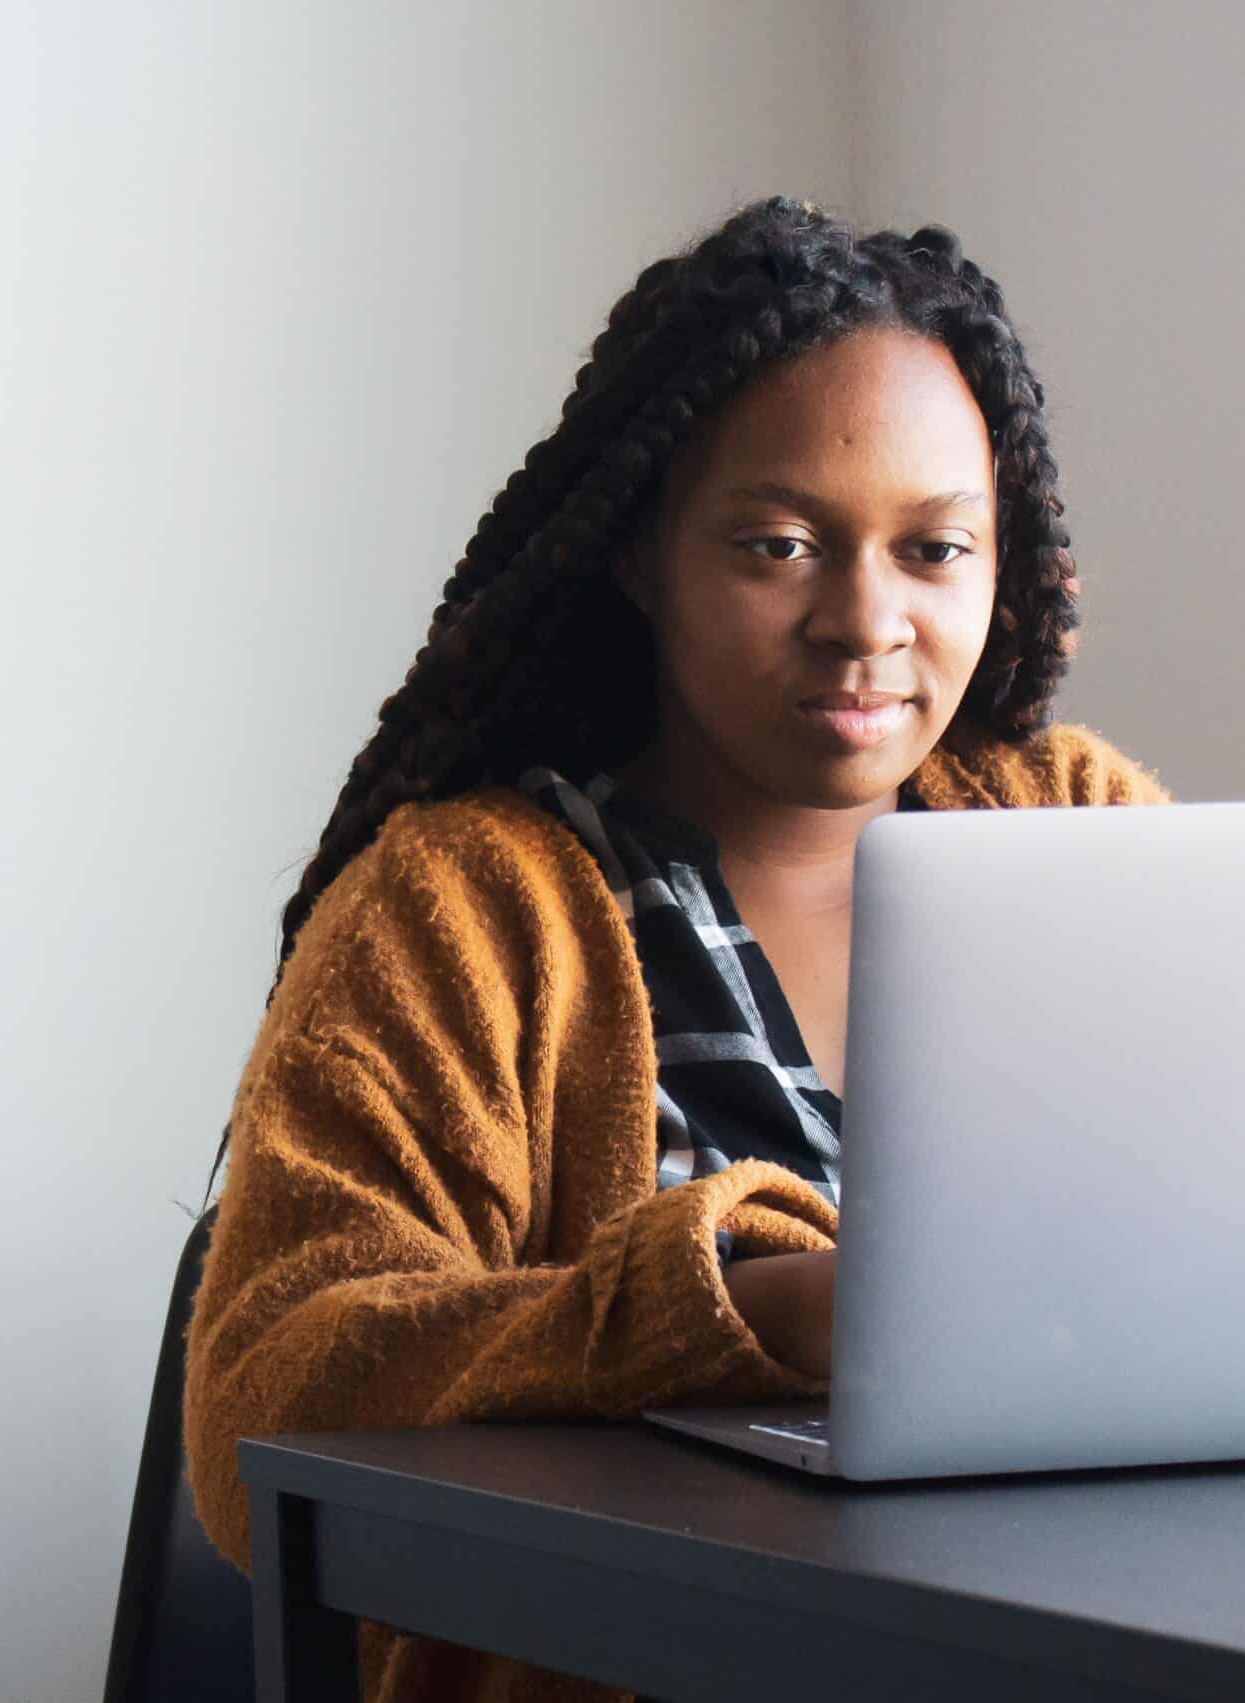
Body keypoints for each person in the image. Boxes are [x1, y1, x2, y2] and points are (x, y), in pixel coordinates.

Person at [181, 194, 1172, 1703]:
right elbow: (269, 1391)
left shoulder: (1076, 828)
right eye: (781, 545)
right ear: (645, 554)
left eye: (934, 549)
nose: (867, 621)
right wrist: (741, 1313)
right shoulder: (466, 908)